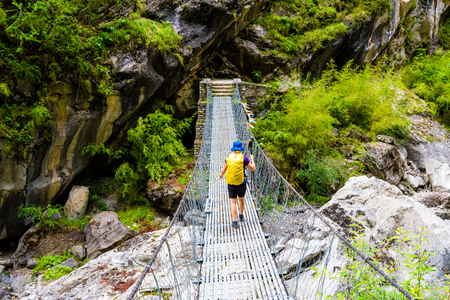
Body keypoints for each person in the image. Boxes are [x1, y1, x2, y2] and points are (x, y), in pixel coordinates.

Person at [216, 141, 256, 229]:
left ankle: (234, 222)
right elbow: (253, 168)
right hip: (241, 183)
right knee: (241, 199)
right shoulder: (244, 158)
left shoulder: (228, 158)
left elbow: (223, 170)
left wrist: (220, 176)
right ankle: (241, 215)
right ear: (240, 149)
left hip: (230, 183)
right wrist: (252, 159)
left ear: (234, 149)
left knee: (233, 202)